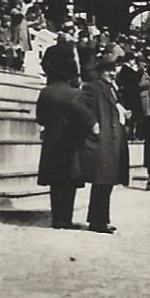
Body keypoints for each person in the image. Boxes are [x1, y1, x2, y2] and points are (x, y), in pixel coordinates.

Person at [35, 44, 94, 230]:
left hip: (51, 142)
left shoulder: (45, 92)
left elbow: (40, 118)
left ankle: (57, 218)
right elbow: (82, 119)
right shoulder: (75, 94)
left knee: (55, 183)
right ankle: (65, 219)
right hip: (70, 142)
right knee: (68, 182)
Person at [75, 45, 130, 233]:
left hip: (112, 142)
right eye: (108, 70)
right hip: (103, 142)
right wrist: (92, 124)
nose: (112, 74)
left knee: (107, 183)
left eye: (114, 70)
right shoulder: (93, 87)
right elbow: (79, 105)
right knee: (102, 182)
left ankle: (100, 220)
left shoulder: (111, 89)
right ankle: (97, 222)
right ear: (101, 72)